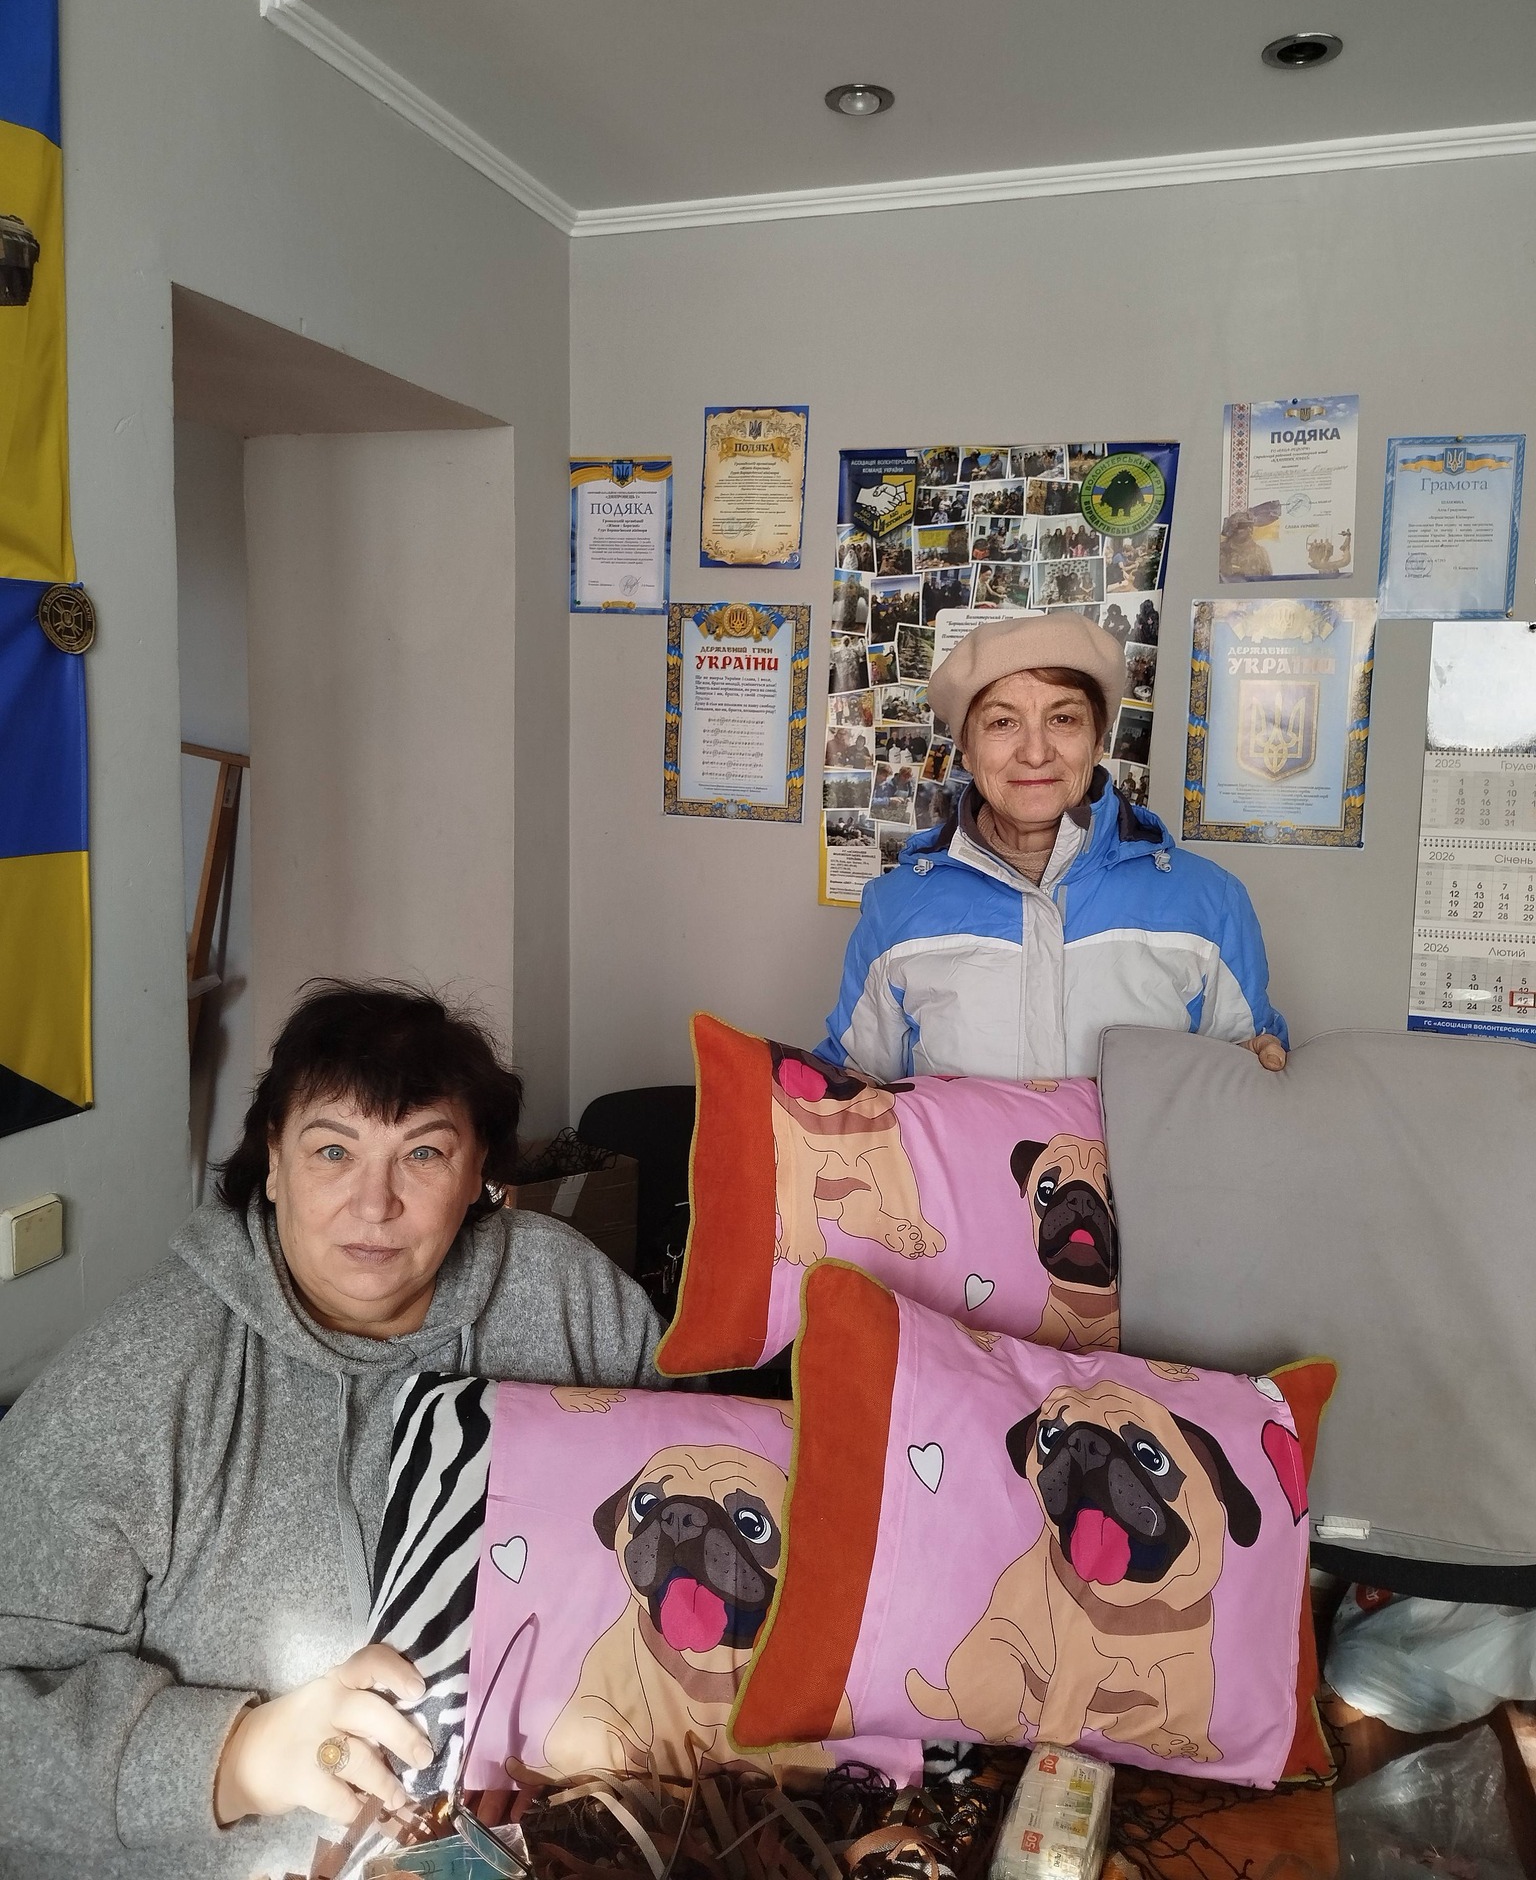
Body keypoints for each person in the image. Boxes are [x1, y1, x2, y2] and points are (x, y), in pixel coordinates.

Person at [0, 982, 660, 1880]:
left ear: (479, 1174)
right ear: (273, 1163)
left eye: (423, 1153)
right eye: (333, 1150)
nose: (374, 1203)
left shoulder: (571, 1299)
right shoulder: (140, 1375)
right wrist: (236, 1758)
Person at [818, 614, 1287, 1080]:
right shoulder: (895, 908)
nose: (1036, 752)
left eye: (1063, 719)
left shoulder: (1209, 901)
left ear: (1098, 741)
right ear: (967, 750)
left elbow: (1241, 1086)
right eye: (1002, 722)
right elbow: (855, 1097)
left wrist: (1253, 1069)